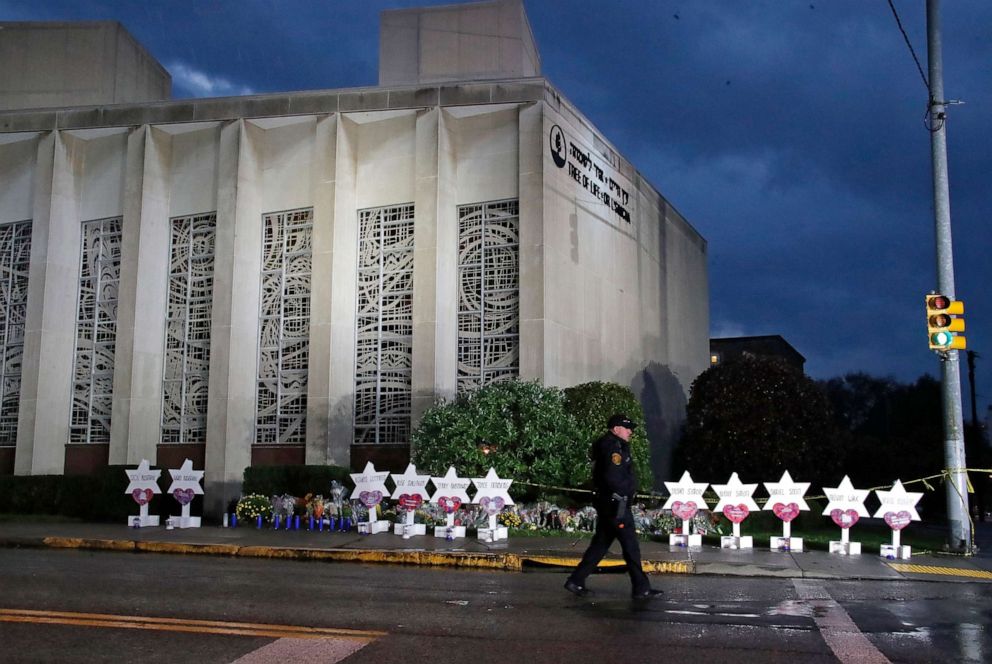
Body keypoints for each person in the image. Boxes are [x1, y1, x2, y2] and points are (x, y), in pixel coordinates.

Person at [564, 414, 663, 599]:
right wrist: (625, 492)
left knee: (600, 545)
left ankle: (576, 581)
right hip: (616, 504)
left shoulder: (613, 445)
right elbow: (613, 477)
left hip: (611, 503)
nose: (630, 431)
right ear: (616, 429)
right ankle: (641, 589)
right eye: (627, 428)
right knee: (631, 546)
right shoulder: (613, 447)